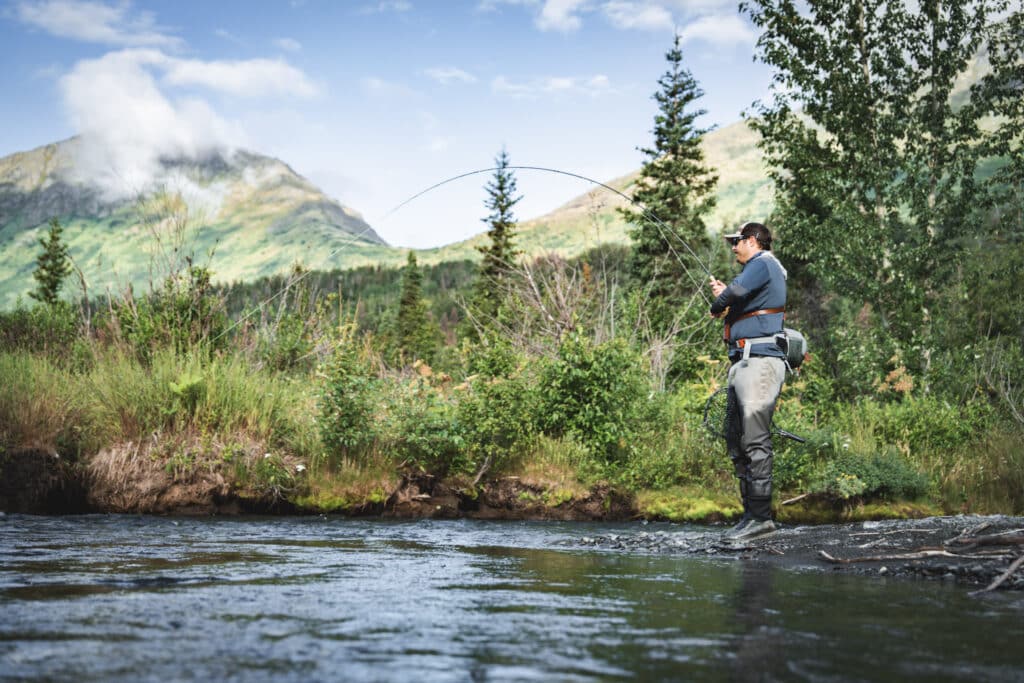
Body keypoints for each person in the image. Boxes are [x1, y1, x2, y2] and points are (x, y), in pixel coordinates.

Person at [708, 222, 787, 541]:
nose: (733, 247)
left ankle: (761, 519)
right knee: (736, 439)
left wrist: (720, 301)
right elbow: (739, 299)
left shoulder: (763, 263)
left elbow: (734, 293)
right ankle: (749, 516)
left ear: (753, 241)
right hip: (744, 362)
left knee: (754, 439)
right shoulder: (759, 269)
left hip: (760, 363)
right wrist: (727, 300)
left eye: (736, 241)